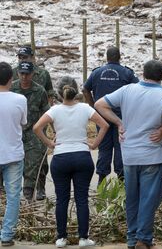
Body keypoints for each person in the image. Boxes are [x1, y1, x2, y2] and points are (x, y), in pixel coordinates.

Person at [95, 60, 162, 249]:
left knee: (132, 198)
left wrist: (119, 123)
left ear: (143, 74)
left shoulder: (128, 90)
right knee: (150, 198)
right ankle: (143, 239)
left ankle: (132, 238)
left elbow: (100, 104)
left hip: (129, 155)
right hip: (152, 156)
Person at [32, 82, 109, 248]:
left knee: (62, 200)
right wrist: (94, 144)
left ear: (60, 95)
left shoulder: (54, 110)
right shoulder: (85, 108)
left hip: (61, 158)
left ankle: (61, 238)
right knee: (82, 199)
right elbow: (105, 125)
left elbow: (37, 127)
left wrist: (49, 144)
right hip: (82, 156)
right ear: (76, 94)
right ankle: (83, 238)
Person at [83, 46, 139, 186]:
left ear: (106, 58)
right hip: (122, 117)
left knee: (104, 148)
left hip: (102, 116)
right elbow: (139, 90)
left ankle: (102, 182)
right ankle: (121, 182)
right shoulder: (127, 73)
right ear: (120, 57)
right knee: (121, 147)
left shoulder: (97, 73)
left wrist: (93, 106)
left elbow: (85, 89)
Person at [10, 61, 50, 202]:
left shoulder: (39, 91)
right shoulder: (11, 88)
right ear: (18, 73)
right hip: (14, 132)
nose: (24, 77)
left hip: (33, 134)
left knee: (33, 165)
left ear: (33, 74)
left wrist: (55, 131)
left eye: (27, 74)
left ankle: (28, 195)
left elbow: (47, 113)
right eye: (22, 73)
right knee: (11, 164)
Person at [0, 62, 27, 247]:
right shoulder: (20, 99)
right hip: (13, 155)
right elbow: (23, 122)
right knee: (13, 196)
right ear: (12, 78)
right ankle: (7, 235)